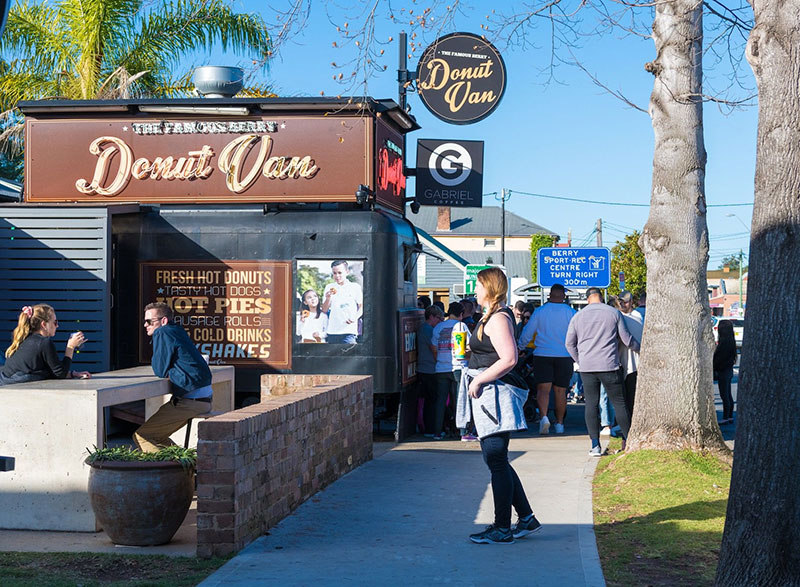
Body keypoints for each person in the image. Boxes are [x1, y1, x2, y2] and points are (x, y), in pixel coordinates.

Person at [456, 268, 540, 544]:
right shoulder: (489, 317)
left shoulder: (499, 318)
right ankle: (526, 517)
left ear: (490, 287)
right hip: (488, 394)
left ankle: (502, 528)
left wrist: (479, 378)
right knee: (498, 460)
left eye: (479, 285)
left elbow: (509, 358)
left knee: (496, 461)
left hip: (496, 395)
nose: (475, 290)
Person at [566, 287, 640, 456]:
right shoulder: (613, 313)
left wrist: (579, 359)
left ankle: (595, 445)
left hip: (587, 367)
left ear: (587, 299)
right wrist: (642, 349)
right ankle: (628, 440)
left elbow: (569, 344)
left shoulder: (577, 317)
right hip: (609, 364)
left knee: (591, 405)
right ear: (601, 297)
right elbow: (626, 339)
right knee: (620, 403)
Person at [133, 302, 213, 452]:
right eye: (144, 321)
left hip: (189, 403)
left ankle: (173, 472)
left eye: (149, 321)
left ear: (163, 321)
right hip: (202, 400)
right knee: (157, 436)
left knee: (142, 436)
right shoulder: (177, 331)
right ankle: (185, 465)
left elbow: (159, 370)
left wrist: (169, 371)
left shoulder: (163, 332)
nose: (145, 325)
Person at [518, 284, 576, 435]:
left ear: (550, 295)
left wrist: (521, 346)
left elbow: (528, 332)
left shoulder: (540, 312)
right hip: (564, 355)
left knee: (543, 390)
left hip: (542, 354)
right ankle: (560, 423)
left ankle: (544, 417)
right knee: (560, 391)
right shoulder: (571, 313)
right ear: (564, 296)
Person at [1, 304, 90, 385]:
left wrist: (72, 374)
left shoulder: (22, 339)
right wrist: (70, 347)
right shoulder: (43, 342)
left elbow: (52, 371)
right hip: (15, 393)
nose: (57, 326)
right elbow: (60, 374)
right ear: (44, 324)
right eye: (55, 322)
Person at [430, 302, 465, 439]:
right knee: (458, 400)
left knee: (440, 401)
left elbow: (433, 349)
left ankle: (437, 432)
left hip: (440, 368)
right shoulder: (461, 326)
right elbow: (466, 347)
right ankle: (460, 431)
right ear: (461, 314)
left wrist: (439, 360)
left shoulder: (438, 327)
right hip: (458, 367)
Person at [617, 291, 643, 421]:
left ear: (632, 302)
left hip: (636, 363)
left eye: (625, 301)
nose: (622, 304)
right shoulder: (616, 316)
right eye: (620, 301)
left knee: (633, 395)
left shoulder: (638, 316)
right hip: (620, 361)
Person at [417, 305, 443, 436]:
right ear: (431, 316)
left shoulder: (425, 329)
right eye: (439, 318)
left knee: (430, 401)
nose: (440, 321)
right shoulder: (428, 330)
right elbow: (434, 351)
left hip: (426, 369)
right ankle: (430, 429)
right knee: (431, 401)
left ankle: (429, 428)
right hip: (428, 370)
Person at [322, 260, 363, 344]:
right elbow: (324, 310)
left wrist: (354, 318)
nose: (337, 276)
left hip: (349, 332)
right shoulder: (329, 287)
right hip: (332, 332)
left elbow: (362, 307)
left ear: (347, 272)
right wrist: (328, 298)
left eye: (340, 273)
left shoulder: (355, 287)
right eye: (334, 273)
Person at [713, 319, 737, 424]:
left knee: (724, 395)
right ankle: (730, 416)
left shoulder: (723, 343)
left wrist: (715, 366)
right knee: (728, 393)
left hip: (722, 370)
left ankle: (726, 416)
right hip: (728, 370)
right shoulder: (731, 341)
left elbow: (719, 359)